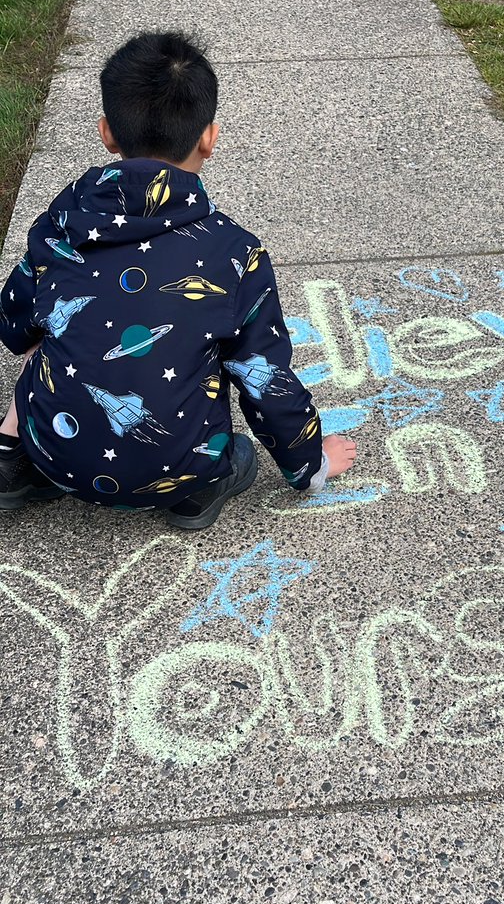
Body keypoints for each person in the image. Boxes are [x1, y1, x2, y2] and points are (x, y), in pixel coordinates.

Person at [0, 31, 356, 530]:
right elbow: (263, 379)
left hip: (54, 455)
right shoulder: (234, 252)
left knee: (46, 339)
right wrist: (310, 465)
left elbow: (14, 320)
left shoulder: (63, 222)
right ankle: (197, 496)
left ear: (107, 132)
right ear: (209, 137)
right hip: (177, 472)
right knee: (229, 416)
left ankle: (11, 461)